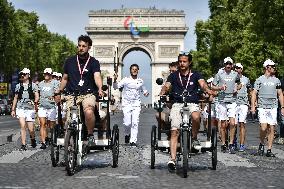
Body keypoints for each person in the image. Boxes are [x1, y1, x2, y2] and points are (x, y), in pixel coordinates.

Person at [159, 52, 215, 171]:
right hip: (177, 104)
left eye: (184, 61)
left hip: (192, 103)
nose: (182, 64)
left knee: (196, 116)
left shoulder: (196, 74)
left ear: (189, 62)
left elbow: (203, 84)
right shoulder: (174, 76)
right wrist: (163, 91)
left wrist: (208, 90)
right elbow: (167, 85)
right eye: (180, 61)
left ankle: (194, 138)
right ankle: (172, 159)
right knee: (174, 131)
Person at [57, 35, 104, 145]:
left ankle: (90, 134)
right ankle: (69, 149)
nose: (81, 48)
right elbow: (64, 78)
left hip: (88, 94)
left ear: (89, 47)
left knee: (88, 111)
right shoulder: (69, 61)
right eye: (79, 46)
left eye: (84, 46)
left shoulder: (94, 62)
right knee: (69, 121)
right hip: (71, 94)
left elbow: (97, 76)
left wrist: (100, 88)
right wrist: (58, 91)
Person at [251, 59, 284, 157]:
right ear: (267, 67)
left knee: (272, 128)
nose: (274, 68)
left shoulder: (277, 80)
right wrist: (253, 106)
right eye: (272, 66)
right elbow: (254, 93)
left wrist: (282, 106)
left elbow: (280, 94)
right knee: (263, 127)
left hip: (273, 107)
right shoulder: (259, 79)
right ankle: (261, 143)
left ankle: (269, 149)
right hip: (262, 107)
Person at [113, 64, 149, 146]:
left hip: (136, 104)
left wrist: (147, 94)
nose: (134, 70)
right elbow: (115, 87)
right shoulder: (125, 80)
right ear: (130, 70)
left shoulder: (141, 81)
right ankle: (127, 134)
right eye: (133, 69)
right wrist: (115, 80)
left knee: (135, 122)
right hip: (126, 104)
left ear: (138, 70)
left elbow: (144, 91)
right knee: (127, 123)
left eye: (136, 69)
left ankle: (133, 141)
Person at [212, 57, 242, 154]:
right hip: (222, 101)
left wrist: (236, 88)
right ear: (224, 65)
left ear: (232, 65)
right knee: (223, 124)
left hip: (232, 101)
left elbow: (239, 84)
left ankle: (231, 143)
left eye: (230, 64)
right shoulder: (219, 74)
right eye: (226, 64)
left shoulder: (235, 74)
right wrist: (220, 87)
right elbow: (212, 86)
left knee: (233, 123)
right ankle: (223, 143)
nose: (228, 65)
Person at [11, 68, 39, 151]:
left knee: (31, 129)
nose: (22, 75)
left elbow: (36, 95)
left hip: (30, 109)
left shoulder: (33, 85)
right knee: (23, 126)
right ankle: (23, 144)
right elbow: (15, 98)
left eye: (24, 74)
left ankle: (33, 139)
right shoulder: (18, 86)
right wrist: (13, 109)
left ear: (28, 75)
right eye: (22, 74)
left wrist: (35, 101)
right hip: (20, 108)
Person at [38, 68, 59, 149]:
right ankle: (43, 142)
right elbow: (37, 94)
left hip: (52, 106)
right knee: (42, 124)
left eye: (48, 74)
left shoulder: (55, 82)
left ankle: (52, 138)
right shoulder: (40, 84)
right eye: (45, 74)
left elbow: (58, 92)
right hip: (42, 106)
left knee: (51, 126)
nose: (46, 75)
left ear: (51, 75)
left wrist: (54, 96)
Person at [155, 61, 179, 131]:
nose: (172, 73)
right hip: (171, 106)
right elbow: (164, 88)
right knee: (158, 114)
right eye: (170, 71)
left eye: (174, 71)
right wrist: (162, 92)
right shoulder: (168, 80)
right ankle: (165, 128)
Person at [234, 63, 252, 152]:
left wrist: (253, 103)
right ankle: (233, 142)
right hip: (234, 103)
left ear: (242, 69)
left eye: (239, 68)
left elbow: (250, 91)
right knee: (233, 124)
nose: (237, 69)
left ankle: (241, 144)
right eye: (236, 68)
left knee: (242, 124)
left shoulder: (246, 79)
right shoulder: (232, 78)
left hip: (244, 104)